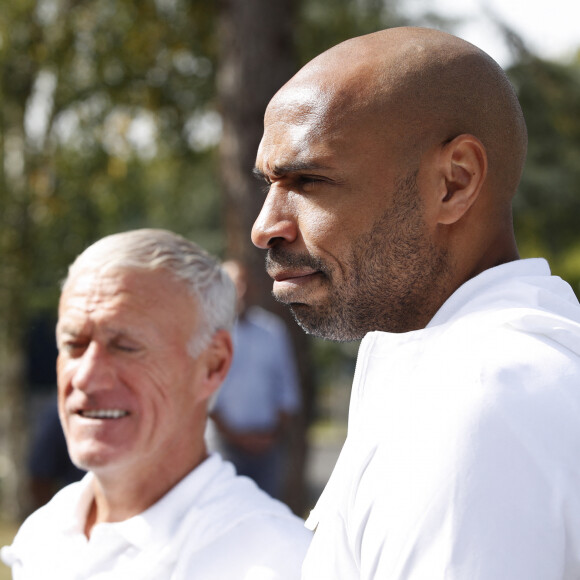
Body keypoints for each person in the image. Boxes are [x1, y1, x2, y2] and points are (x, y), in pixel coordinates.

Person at [251, 26, 580, 579]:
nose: (266, 227)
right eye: (267, 184)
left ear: (454, 183)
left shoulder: (476, 404)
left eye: (308, 181)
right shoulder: (487, 375)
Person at [1, 229, 312, 579]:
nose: (86, 376)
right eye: (74, 344)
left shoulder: (274, 562)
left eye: (126, 346)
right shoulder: (47, 533)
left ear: (213, 364)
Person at [209, 260, 301, 499]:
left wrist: (271, 436)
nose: (242, 290)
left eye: (246, 284)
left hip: (268, 447)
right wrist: (235, 436)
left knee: (266, 517)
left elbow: (286, 387)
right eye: (235, 284)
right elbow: (205, 390)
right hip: (224, 446)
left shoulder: (272, 330)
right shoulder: (210, 331)